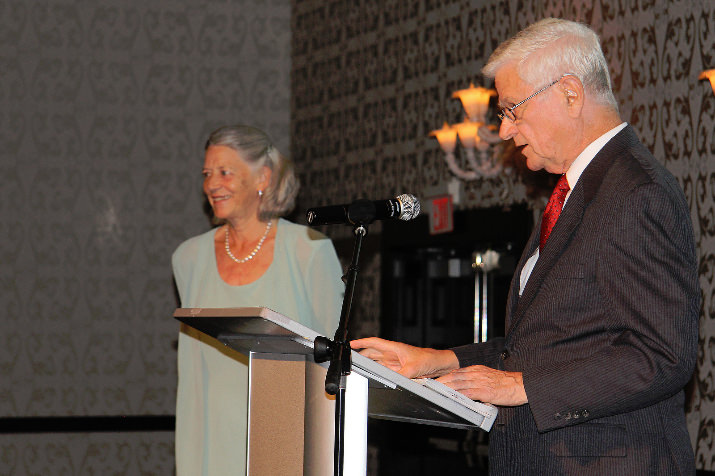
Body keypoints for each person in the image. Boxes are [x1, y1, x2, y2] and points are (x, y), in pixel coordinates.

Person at [352, 18, 699, 474]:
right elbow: (542, 348)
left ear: (571, 94)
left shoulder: (636, 191)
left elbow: (664, 355)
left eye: (513, 109)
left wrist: (524, 388)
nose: (504, 131)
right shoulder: (573, 194)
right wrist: (435, 361)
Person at [172, 125, 344, 475]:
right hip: (211, 447)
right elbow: (191, 373)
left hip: (287, 444)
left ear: (263, 177)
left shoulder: (308, 251)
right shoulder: (188, 258)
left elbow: (334, 366)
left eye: (225, 172)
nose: (212, 184)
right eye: (207, 173)